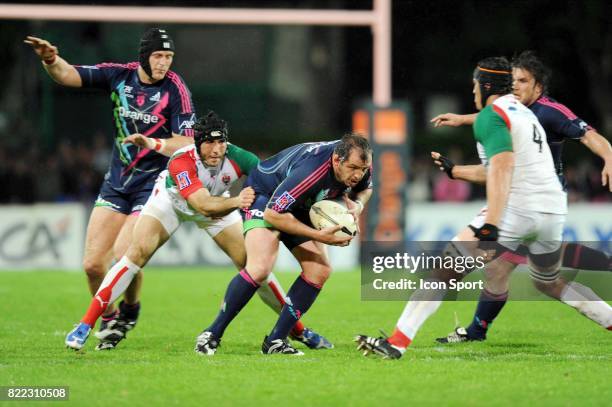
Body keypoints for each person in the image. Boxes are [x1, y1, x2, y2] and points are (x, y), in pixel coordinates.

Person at [356, 56, 611, 359]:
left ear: (486, 85)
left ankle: (396, 343)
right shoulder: (525, 114)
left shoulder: (493, 116)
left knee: (444, 271)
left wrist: (491, 221)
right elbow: (507, 164)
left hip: (516, 209)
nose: (473, 91)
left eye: (475, 84)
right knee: (549, 282)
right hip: (552, 210)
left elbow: (502, 167)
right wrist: (457, 171)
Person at [65, 112, 332, 351]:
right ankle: (85, 324)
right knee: (136, 254)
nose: (217, 149)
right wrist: (238, 201)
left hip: (220, 205)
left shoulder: (240, 157)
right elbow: (202, 205)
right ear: (197, 143)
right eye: (209, 143)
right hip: (172, 202)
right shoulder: (182, 162)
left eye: (221, 142)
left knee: (255, 268)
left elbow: (270, 181)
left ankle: (297, 331)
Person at [26, 28, 196, 348]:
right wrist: (50, 59)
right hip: (117, 184)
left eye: (169, 56)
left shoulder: (176, 88)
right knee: (92, 265)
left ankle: (130, 309)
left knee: (123, 255)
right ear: (144, 55)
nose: (164, 63)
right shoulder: (119, 76)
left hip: (154, 185)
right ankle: (110, 316)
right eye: (158, 56)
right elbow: (69, 75)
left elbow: (188, 142)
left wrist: (153, 142)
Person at [194, 134, 373, 355]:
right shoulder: (311, 172)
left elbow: (366, 188)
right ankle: (211, 334)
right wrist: (320, 237)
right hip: (264, 197)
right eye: (353, 168)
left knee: (319, 270)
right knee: (260, 268)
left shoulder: (360, 161)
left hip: (298, 204)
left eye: (363, 169)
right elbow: (273, 214)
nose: (358, 174)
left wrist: (358, 204)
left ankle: (276, 342)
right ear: (337, 160)